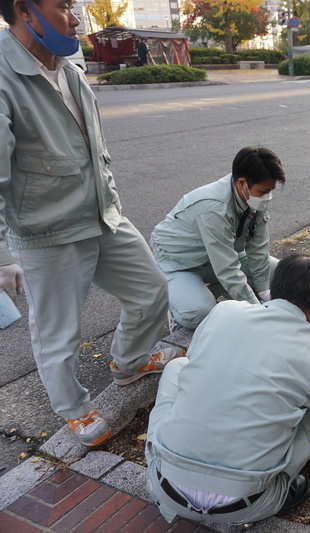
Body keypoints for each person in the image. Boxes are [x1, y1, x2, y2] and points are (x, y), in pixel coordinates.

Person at [0, 0, 183, 447]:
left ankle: (130, 360)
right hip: (49, 232)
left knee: (152, 289)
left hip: (103, 214)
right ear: (25, 10)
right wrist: (3, 259)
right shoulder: (4, 78)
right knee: (58, 332)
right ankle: (74, 410)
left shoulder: (67, 68)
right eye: (63, 5)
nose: (76, 16)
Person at [145, 254, 310, 525]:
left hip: (164, 483)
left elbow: (195, 364)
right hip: (244, 504)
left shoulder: (224, 312)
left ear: (273, 290)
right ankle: (280, 492)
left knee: (178, 367)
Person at [150, 147, 282, 330]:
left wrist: (262, 290)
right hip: (179, 262)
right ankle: (179, 305)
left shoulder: (254, 196)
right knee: (200, 312)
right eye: (264, 191)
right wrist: (256, 311)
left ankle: (210, 292)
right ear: (242, 183)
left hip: (216, 258)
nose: (267, 197)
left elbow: (258, 246)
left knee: (278, 273)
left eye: (270, 190)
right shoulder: (214, 209)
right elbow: (227, 269)